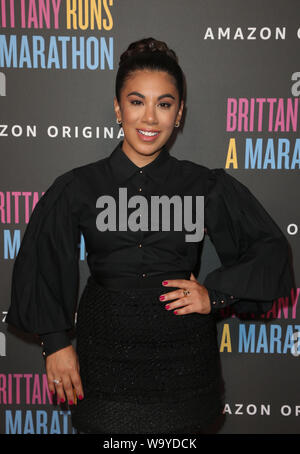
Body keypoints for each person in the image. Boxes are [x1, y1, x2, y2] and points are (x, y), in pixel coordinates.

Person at [6, 37, 294, 434]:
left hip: (185, 364)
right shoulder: (78, 187)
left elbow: (271, 250)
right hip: (104, 363)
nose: (150, 118)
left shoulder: (203, 184)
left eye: (164, 104)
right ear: (118, 107)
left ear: (179, 114)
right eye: (137, 101)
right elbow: (42, 261)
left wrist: (216, 294)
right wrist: (55, 343)